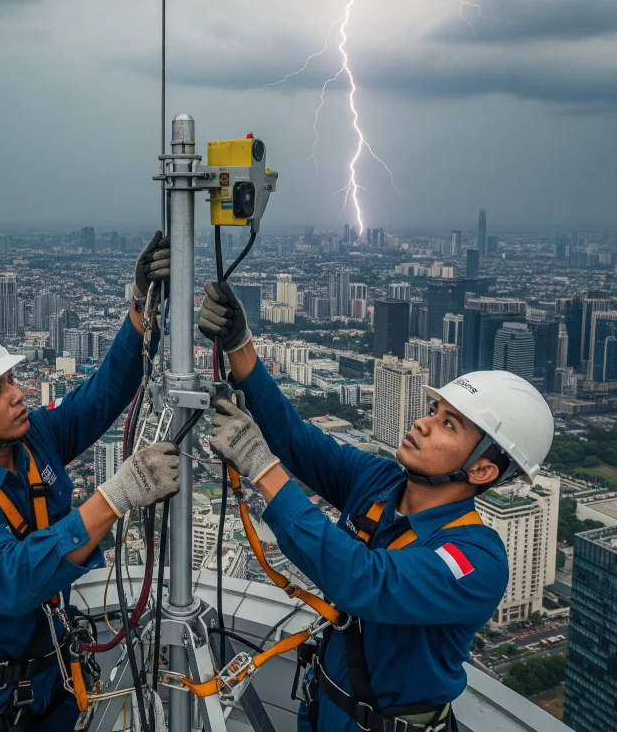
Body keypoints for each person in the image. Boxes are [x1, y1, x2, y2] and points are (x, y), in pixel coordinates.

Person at [198, 280, 554, 732]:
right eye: (432, 410)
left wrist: (262, 470)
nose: (422, 424)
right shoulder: (380, 482)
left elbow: (365, 581)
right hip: (321, 708)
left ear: (482, 470)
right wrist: (240, 347)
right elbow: (296, 440)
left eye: (448, 423)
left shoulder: (475, 561)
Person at [0, 233, 178, 732]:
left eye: (10, 380)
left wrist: (143, 306)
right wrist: (115, 497)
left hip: (57, 678)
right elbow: (9, 581)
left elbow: (103, 393)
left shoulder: (35, 439)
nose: (17, 395)